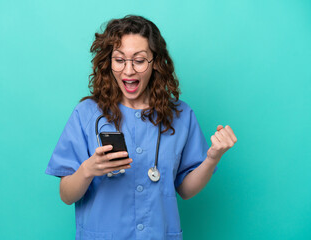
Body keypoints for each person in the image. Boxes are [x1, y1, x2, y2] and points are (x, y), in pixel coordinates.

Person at [45, 15, 237, 240]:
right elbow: (67, 195)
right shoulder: (87, 113)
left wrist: (212, 158)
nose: (128, 71)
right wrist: (89, 169)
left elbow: (185, 190)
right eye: (119, 60)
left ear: (155, 62)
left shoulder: (181, 115)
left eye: (138, 60)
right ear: (109, 62)